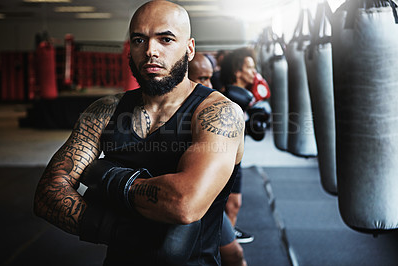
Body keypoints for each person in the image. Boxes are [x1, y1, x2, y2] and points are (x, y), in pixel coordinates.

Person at [33, 1, 245, 265]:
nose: (150, 51)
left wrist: (105, 176)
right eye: (138, 40)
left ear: (189, 49)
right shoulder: (103, 111)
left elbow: (184, 203)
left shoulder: (219, 114)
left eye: (165, 39)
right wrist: (128, 234)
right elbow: (47, 195)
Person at [188, 52, 247, 266]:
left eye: (210, 77)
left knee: (234, 255)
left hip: (211, 204)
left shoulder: (215, 108)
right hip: (185, 202)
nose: (210, 84)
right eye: (202, 78)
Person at [220, 47, 259, 244]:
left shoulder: (245, 97)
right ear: (238, 72)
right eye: (250, 67)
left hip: (236, 157)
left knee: (234, 204)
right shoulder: (229, 96)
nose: (254, 72)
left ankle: (228, 238)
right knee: (229, 204)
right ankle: (224, 247)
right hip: (222, 158)